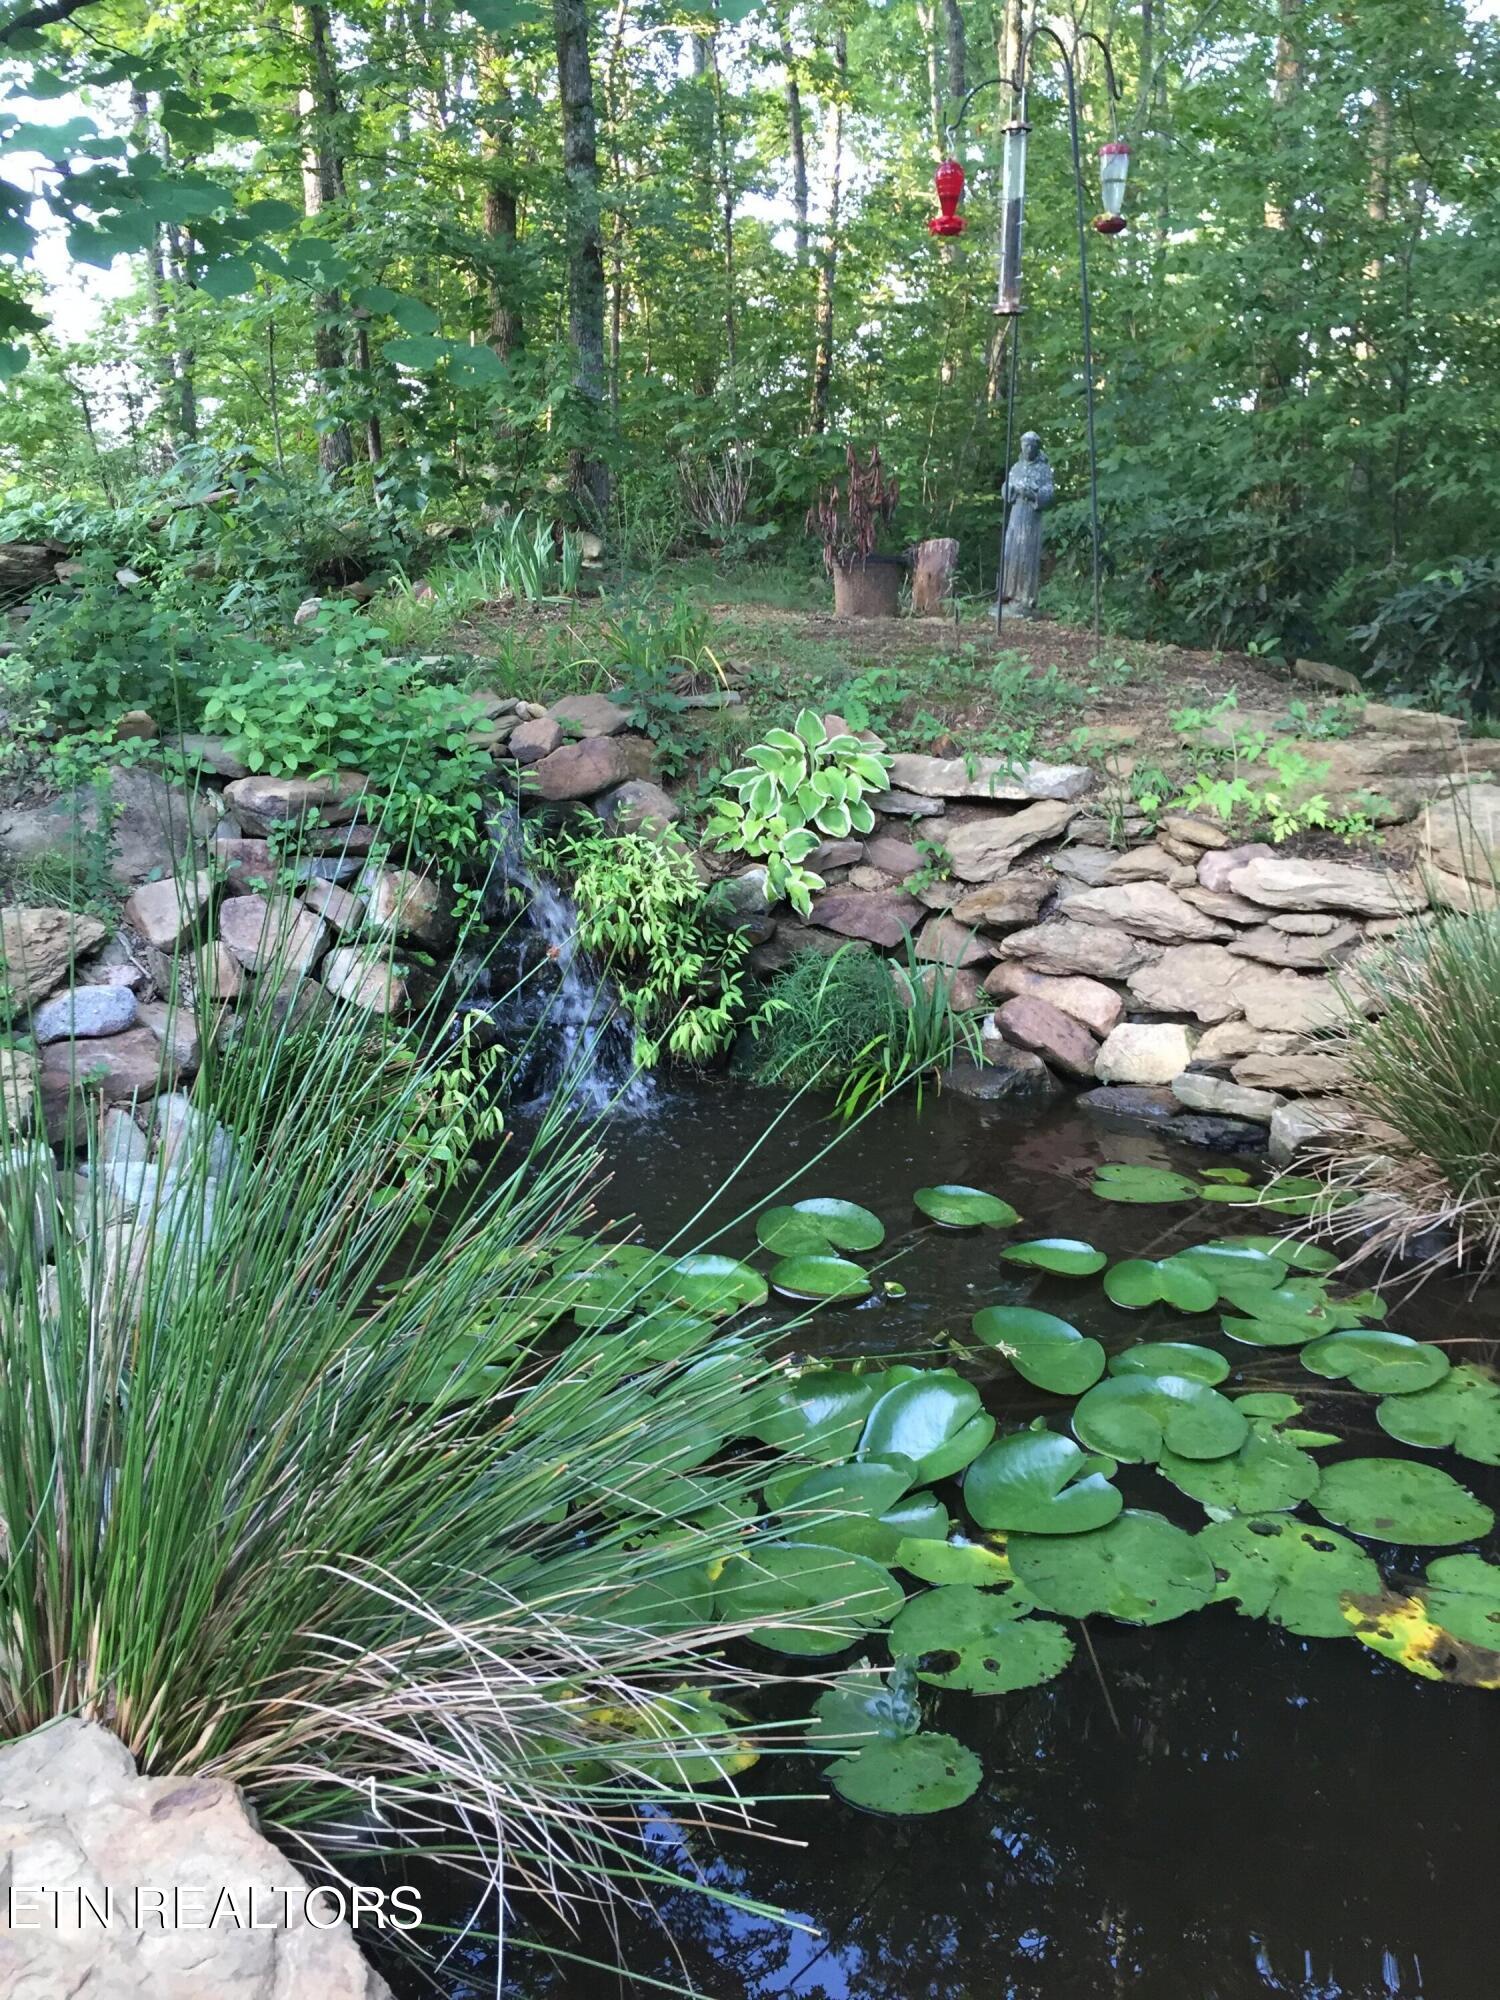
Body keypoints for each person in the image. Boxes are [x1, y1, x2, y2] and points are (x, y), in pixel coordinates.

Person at [1000, 431, 1054, 617]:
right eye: (1025, 444)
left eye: (1031, 445)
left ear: (1037, 447)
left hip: (1031, 517)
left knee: (1027, 555)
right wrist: (1011, 489)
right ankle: (1009, 594)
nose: (1028, 448)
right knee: (1011, 552)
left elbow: (1048, 492)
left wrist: (1033, 494)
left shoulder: (1043, 470)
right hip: (1016, 514)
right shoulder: (1016, 467)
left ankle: (1025, 598)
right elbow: (1006, 488)